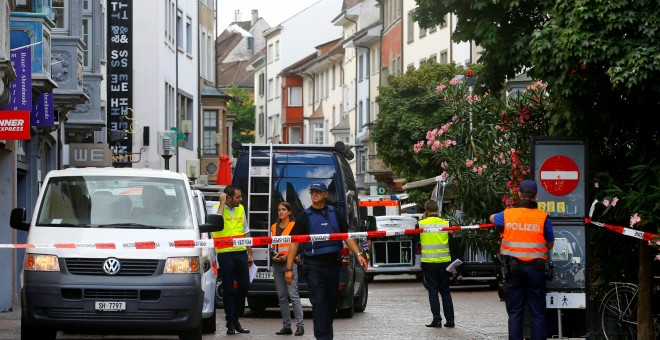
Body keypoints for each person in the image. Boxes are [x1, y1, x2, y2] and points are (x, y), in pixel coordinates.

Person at [284, 182, 368, 340]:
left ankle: (326, 335)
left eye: (318, 191)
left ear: (325, 194)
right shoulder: (304, 216)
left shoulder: (334, 213)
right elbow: (294, 243)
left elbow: (346, 236)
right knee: (319, 304)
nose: (314, 194)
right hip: (313, 267)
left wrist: (358, 254)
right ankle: (323, 337)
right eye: (312, 192)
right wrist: (288, 269)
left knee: (330, 305)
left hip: (332, 267)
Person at [489, 179, 554, 340]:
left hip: (514, 270)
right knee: (538, 312)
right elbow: (550, 244)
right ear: (536, 196)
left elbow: (491, 218)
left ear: (518, 194)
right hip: (536, 270)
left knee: (515, 312)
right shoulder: (543, 217)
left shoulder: (508, 214)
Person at [212, 185, 252, 335]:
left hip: (241, 252)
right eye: (238, 197)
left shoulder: (241, 208)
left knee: (244, 286)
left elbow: (245, 231)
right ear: (228, 197)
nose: (240, 199)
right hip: (225, 253)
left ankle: (235, 319)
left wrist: (250, 253)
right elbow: (216, 224)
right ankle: (231, 323)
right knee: (228, 289)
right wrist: (222, 204)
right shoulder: (216, 208)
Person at [418, 199, 455, 328]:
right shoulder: (445, 223)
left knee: (433, 291)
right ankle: (450, 321)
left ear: (426, 210)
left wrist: (424, 218)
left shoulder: (422, 223)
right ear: (437, 210)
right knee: (445, 291)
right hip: (444, 262)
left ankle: (437, 320)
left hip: (429, 262)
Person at [271, 202, 304, 336]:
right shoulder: (273, 227)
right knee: (282, 297)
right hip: (277, 264)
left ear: (289, 212)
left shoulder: (294, 226)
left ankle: (300, 326)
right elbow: (271, 245)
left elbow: (298, 246)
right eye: (279, 210)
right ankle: (287, 326)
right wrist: (275, 256)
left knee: (293, 295)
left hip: (290, 264)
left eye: (283, 210)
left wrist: (287, 258)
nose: (281, 212)